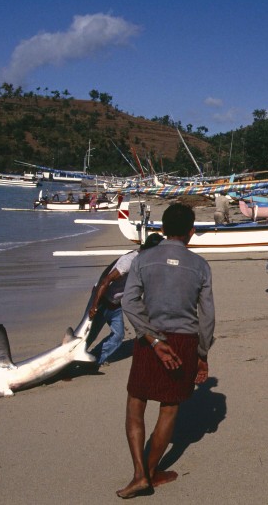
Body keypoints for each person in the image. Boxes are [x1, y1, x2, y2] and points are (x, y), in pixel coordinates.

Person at [118, 203, 215, 499]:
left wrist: (154, 340)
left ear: (161, 230)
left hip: (150, 339)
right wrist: (202, 354)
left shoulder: (143, 259)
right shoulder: (200, 265)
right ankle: (149, 472)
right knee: (169, 408)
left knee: (136, 403)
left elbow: (129, 302)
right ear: (191, 232)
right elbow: (207, 317)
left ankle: (139, 475)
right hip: (185, 340)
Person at [86, 233, 164, 366]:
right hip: (102, 301)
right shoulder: (130, 261)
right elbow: (106, 281)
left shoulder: (144, 262)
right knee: (88, 336)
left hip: (115, 303)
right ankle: (68, 362)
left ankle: (94, 359)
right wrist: (94, 305)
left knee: (118, 336)